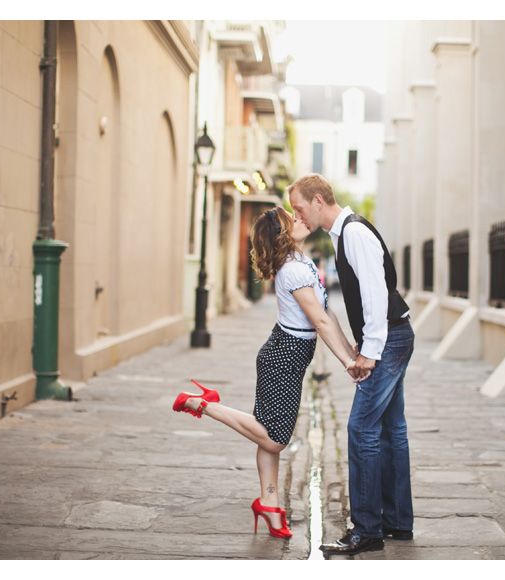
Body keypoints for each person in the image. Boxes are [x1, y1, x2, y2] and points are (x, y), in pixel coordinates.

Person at [172, 207, 364, 539]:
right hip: (283, 358)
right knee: (275, 439)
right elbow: (318, 322)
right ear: (283, 235)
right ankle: (203, 404)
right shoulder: (293, 270)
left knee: (267, 432)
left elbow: (327, 312)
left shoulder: (302, 263)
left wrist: (351, 351)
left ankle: (270, 506)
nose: (301, 219)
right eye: (294, 220)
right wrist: (347, 363)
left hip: (288, 355)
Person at [288, 173, 415, 556]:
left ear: (318, 202)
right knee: (391, 431)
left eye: (299, 207)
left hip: (389, 339)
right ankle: (397, 523)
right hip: (394, 335)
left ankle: (366, 530)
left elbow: (376, 295)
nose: (298, 216)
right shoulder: (341, 235)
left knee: (360, 428)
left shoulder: (355, 233)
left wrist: (369, 353)